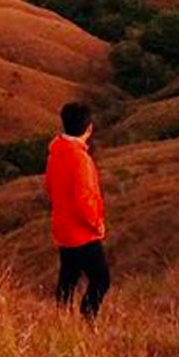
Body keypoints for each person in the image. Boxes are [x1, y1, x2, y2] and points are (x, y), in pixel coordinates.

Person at [44, 101, 110, 318]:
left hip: (62, 227)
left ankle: (60, 320)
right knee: (101, 278)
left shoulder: (55, 153)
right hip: (81, 231)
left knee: (69, 277)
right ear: (89, 128)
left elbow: (49, 188)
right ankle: (87, 320)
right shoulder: (80, 159)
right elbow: (85, 200)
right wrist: (96, 224)